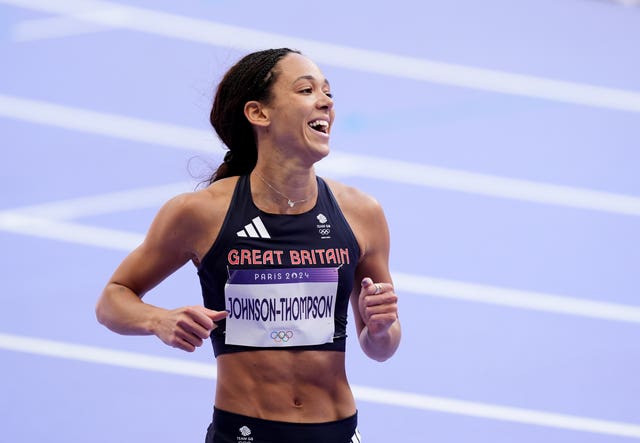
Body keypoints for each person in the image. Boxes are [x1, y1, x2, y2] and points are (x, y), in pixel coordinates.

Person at [95, 47, 401, 443]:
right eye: (306, 90)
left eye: (329, 92)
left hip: (337, 432)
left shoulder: (361, 214)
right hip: (244, 433)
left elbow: (380, 347)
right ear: (259, 113)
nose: (325, 101)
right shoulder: (202, 213)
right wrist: (158, 320)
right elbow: (112, 298)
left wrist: (380, 327)